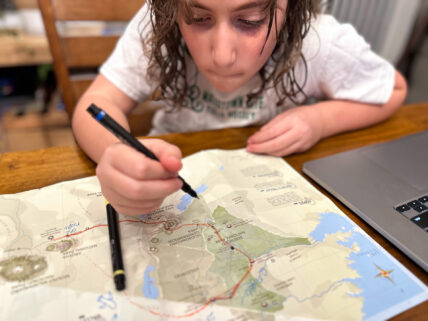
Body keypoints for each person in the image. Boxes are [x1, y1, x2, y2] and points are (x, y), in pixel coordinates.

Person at [72, 0, 407, 216]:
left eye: (251, 20)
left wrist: (320, 119)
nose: (221, 55)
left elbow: (393, 88)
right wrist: (116, 152)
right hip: (171, 184)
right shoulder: (156, 24)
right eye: (197, 17)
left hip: (271, 194)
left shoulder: (318, 40)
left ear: (291, 10)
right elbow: (97, 102)